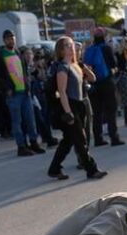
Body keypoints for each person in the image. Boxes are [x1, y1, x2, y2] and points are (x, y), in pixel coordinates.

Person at [46, 36, 106, 181]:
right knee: (80, 139)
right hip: (70, 105)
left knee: (68, 140)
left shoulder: (76, 65)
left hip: (80, 104)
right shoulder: (62, 67)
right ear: (61, 50)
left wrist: (83, 67)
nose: (71, 47)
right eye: (67, 45)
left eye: (71, 44)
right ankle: (91, 169)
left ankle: (54, 169)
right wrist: (68, 112)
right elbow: (62, 92)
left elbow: (93, 78)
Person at [0, 30, 45, 157]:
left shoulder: (17, 53)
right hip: (13, 94)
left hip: (25, 92)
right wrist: (7, 88)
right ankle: (21, 146)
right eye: (8, 38)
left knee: (30, 120)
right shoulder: (0, 56)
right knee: (17, 122)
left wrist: (28, 86)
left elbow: (24, 71)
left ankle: (33, 142)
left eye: (13, 38)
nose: (11, 40)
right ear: (4, 40)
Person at [83, 28, 123, 147]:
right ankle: (114, 137)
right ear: (104, 37)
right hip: (107, 82)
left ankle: (98, 138)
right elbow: (113, 64)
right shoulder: (106, 48)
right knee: (111, 110)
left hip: (93, 84)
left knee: (97, 112)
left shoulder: (89, 50)